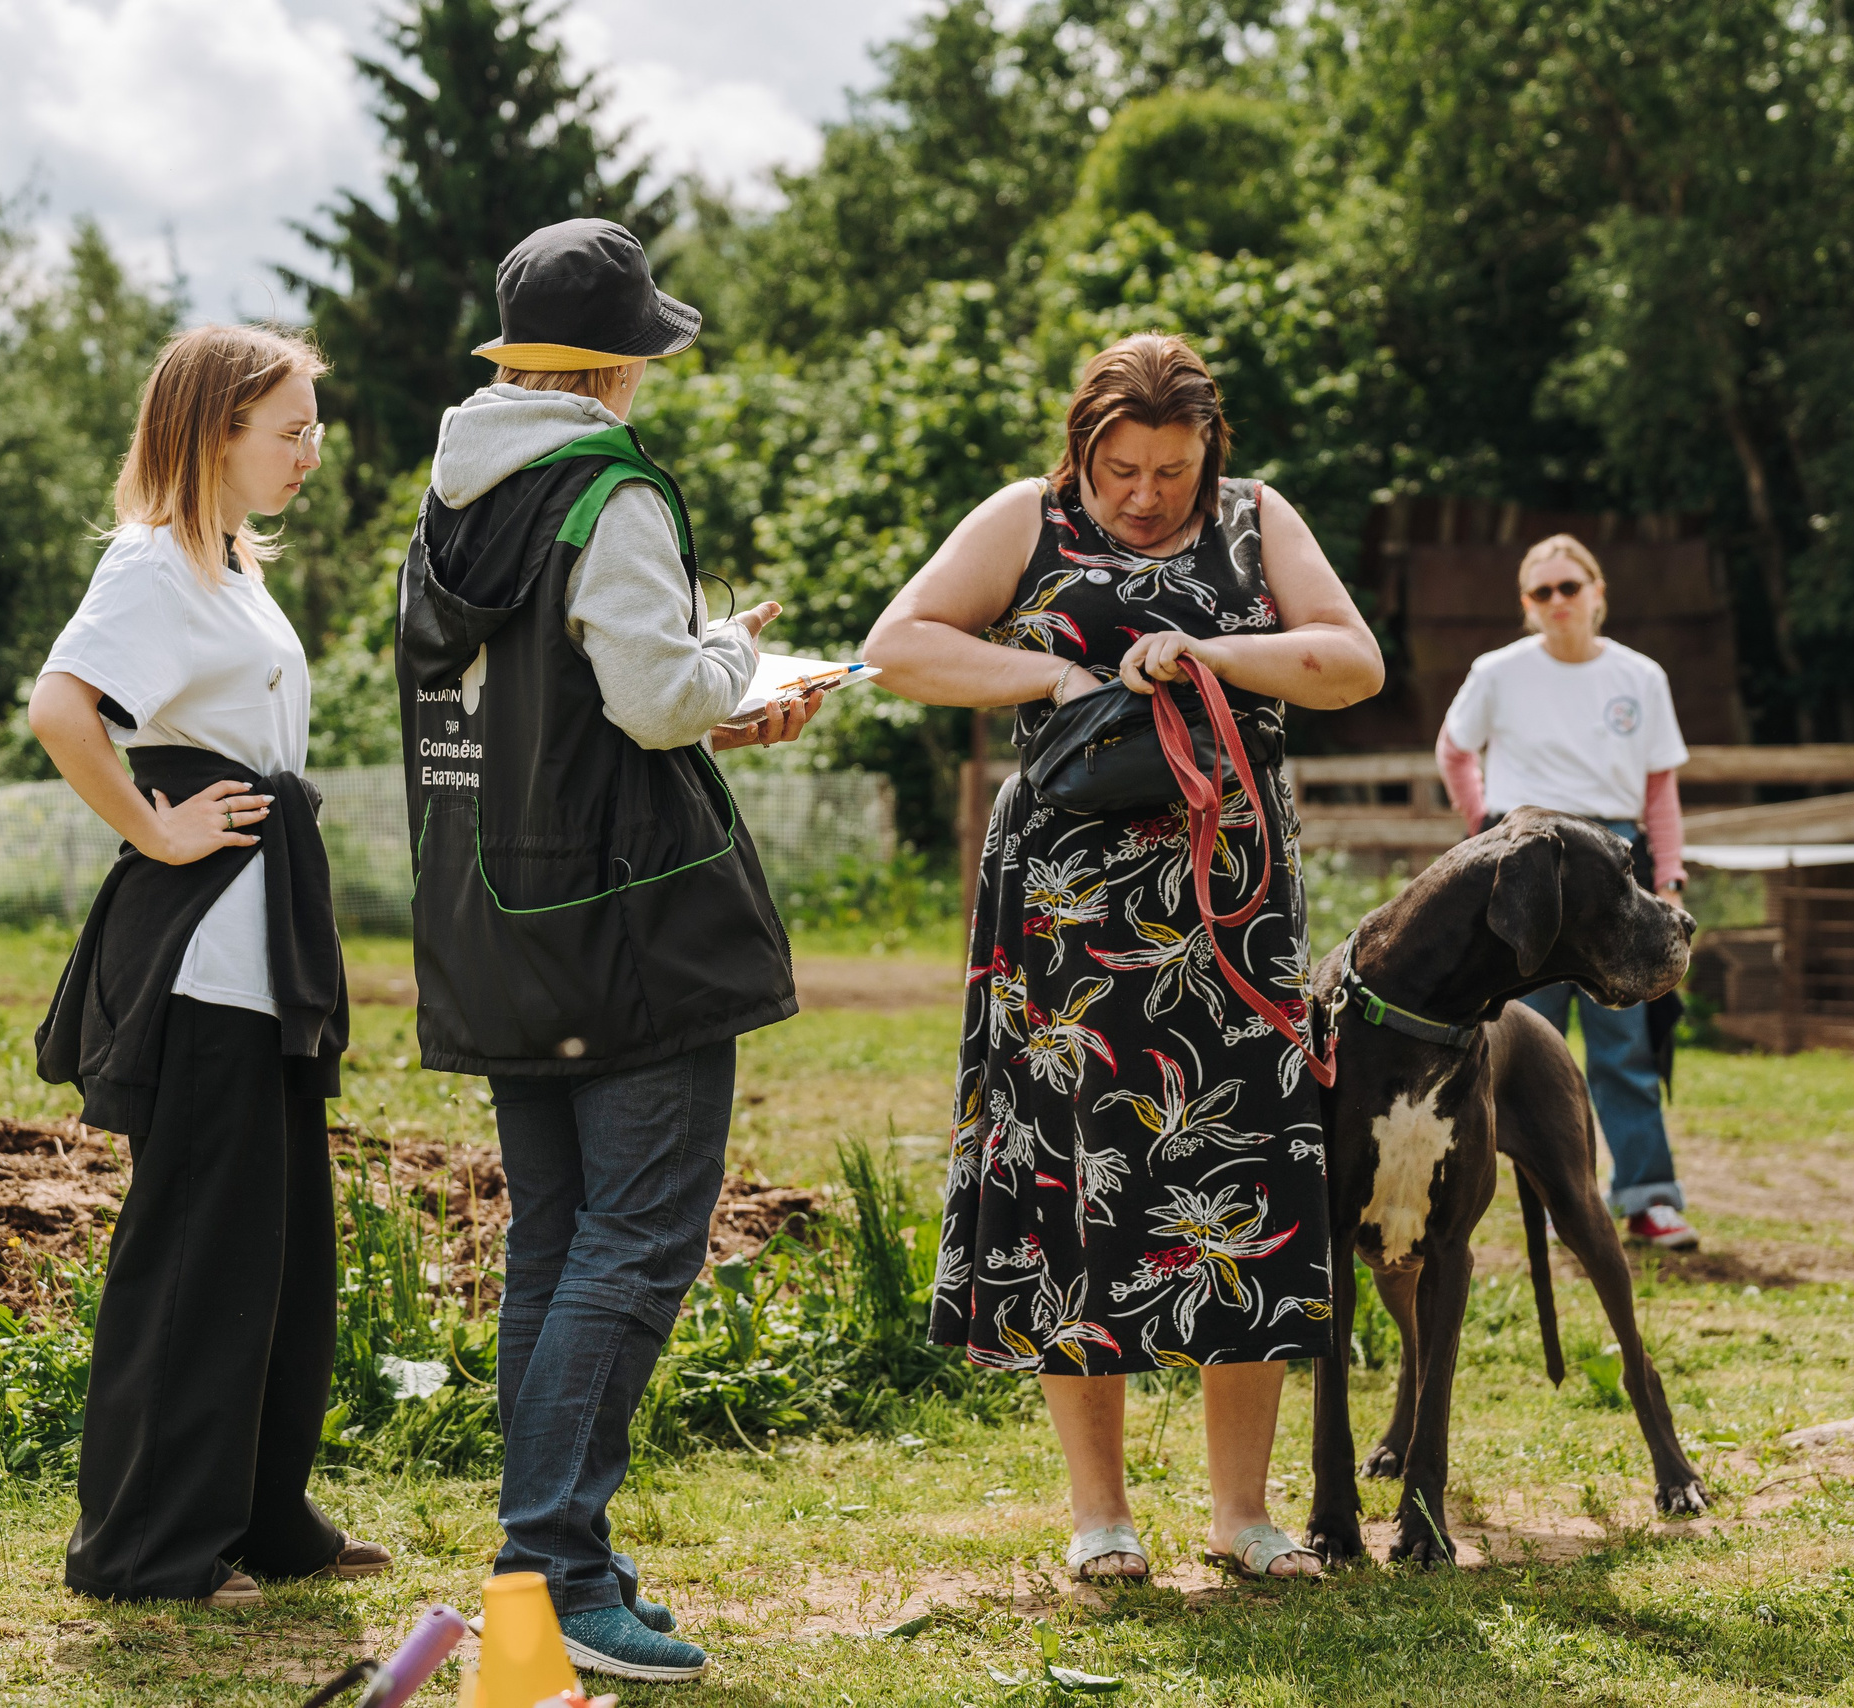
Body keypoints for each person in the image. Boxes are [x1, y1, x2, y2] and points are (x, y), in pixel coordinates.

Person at [867, 333, 1384, 1583]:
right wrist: (1056, 675)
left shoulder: (1258, 521)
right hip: (1066, 912)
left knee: (1245, 1174)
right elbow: (898, 645)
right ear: (1080, 451)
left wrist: (1211, 654)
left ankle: (1242, 1515)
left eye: (1171, 470)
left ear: (1210, 452)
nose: (1146, 495)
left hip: (1228, 903)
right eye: (1120, 471)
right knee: (1076, 1170)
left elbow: (1352, 662)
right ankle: (1099, 1515)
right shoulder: (1023, 519)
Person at [398, 218, 819, 1683]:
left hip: (497, 921)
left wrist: (694, 675)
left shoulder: (450, 502)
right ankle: (559, 1570)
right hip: (629, 928)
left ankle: (545, 1562)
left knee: (554, 1242)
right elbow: (650, 702)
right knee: (636, 1243)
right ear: (617, 365)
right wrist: (733, 661)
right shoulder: (609, 491)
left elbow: (554, 703)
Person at [32, 324, 386, 1604]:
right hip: (205, 962)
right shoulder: (153, 561)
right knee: (197, 1248)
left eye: (313, 428)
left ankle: (259, 1515)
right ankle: (143, 1545)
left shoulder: (230, 562)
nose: (311, 452)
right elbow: (61, 708)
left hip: (264, 953)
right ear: (212, 432)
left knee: (278, 1248)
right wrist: (152, 826)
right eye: (290, 429)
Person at [1434, 533, 1700, 1250]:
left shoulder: (1640, 676)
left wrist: (1669, 882)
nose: (1558, 601)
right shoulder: (1498, 673)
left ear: (1597, 593)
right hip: (1531, 863)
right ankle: (1557, 1200)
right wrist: (1483, 828)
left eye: (1569, 587)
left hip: (1613, 862)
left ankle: (1647, 1197)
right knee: (1522, 1042)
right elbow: (1454, 750)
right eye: (1542, 591)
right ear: (1527, 604)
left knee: (1624, 1043)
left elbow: (1660, 790)